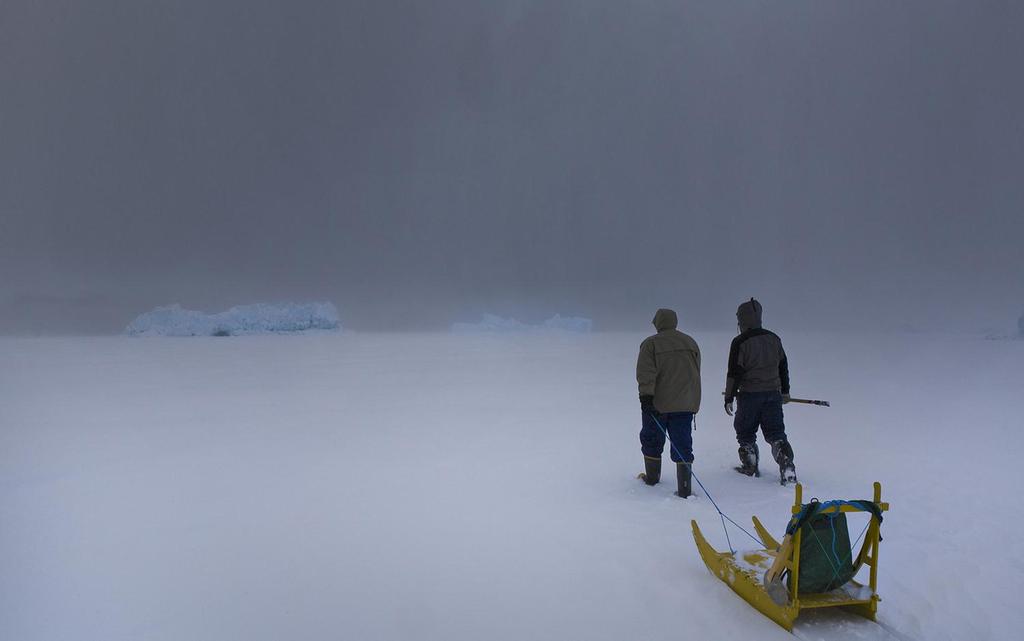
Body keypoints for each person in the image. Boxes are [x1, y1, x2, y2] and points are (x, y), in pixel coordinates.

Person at [723, 298, 797, 484]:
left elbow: (734, 372)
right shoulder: (774, 338)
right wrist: (785, 391)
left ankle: (750, 465)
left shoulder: (740, 342)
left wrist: (729, 396)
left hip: (749, 395)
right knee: (776, 434)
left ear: (742, 320)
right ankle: (786, 464)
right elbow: (783, 366)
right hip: (773, 394)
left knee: (745, 433)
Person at [636, 308, 701, 497]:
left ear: (658, 322)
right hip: (685, 403)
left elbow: (645, 373)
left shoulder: (650, 344)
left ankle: (652, 478)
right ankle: (685, 489)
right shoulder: (690, 342)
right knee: (683, 443)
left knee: (652, 439)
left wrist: (645, 397)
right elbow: (696, 373)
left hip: (658, 404)